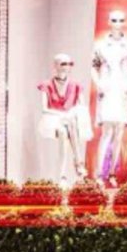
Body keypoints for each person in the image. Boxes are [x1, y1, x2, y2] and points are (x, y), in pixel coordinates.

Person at [91, 9, 127, 184]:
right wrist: (99, 84)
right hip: (108, 90)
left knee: (119, 133)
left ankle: (112, 173)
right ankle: (99, 174)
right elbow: (94, 66)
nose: (117, 23)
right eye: (114, 20)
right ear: (109, 22)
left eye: (120, 20)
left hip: (123, 91)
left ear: (124, 22)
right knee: (107, 132)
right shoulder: (101, 45)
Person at [38, 54, 92, 185]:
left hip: (71, 119)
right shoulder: (47, 85)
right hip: (53, 118)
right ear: (55, 66)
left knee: (69, 125)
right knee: (63, 130)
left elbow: (81, 106)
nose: (66, 67)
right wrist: (61, 115)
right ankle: (77, 165)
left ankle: (64, 174)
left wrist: (70, 114)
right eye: (63, 64)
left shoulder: (75, 85)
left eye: (69, 64)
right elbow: (44, 108)